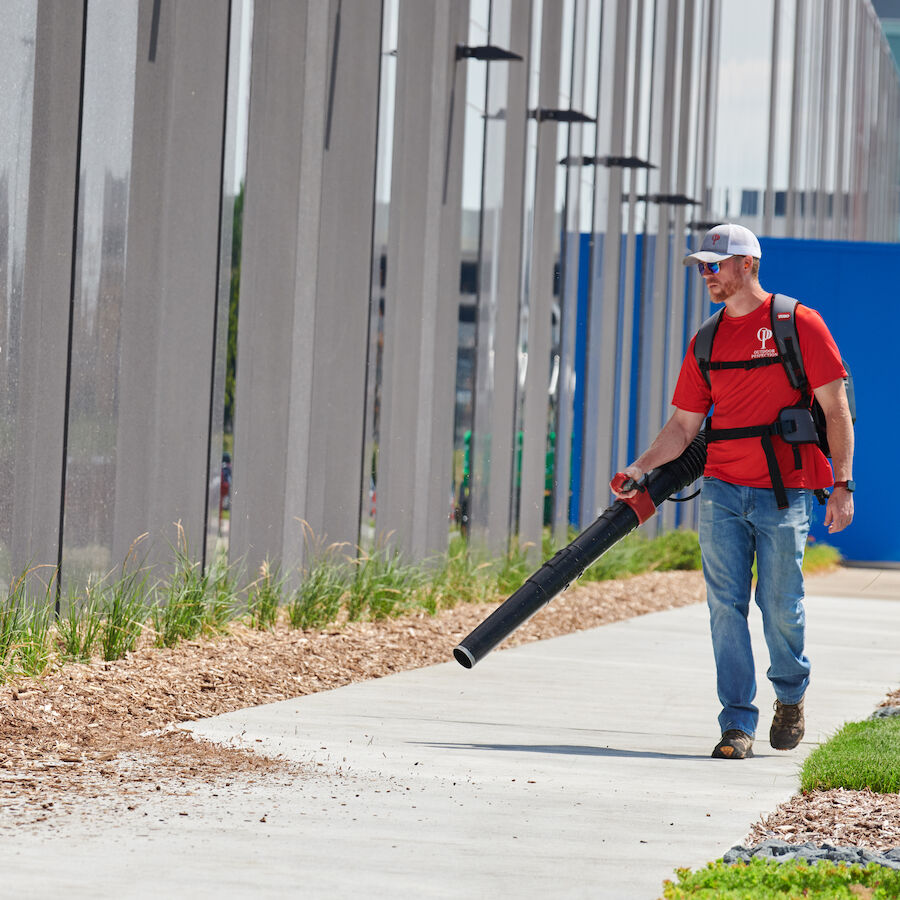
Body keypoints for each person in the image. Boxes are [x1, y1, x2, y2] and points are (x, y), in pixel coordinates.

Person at [612, 223, 854, 760]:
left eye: (714, 265)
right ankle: (737, 723)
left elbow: (835, 407)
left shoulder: (797, 323)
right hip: (722, 489)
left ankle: (790, 694)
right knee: (726, 607)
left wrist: (841, 484)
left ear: (747, 264)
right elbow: (682, 427)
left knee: (780, 603)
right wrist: (640, 466)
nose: (706, 275)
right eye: (702, 266)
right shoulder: (707, 339)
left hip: (784, 490)